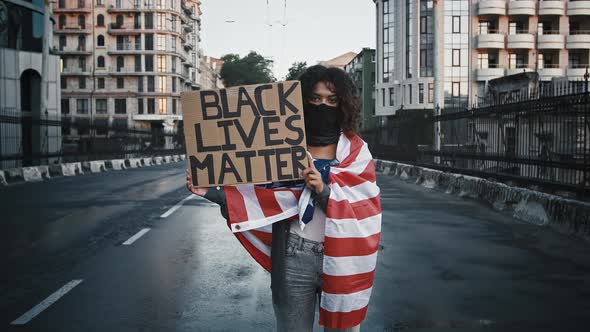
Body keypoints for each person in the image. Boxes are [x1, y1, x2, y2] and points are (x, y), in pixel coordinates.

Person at [187, 65, 381, 332]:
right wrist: (210, 192)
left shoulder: (357, 153)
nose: (322, 105)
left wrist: (323, 190)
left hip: (342, 257)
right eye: (314, 98)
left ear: (343, 104)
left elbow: (365, 212)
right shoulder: (280, 145)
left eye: (331, 100)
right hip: (292, 254)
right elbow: (258, 197)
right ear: (301, 103)